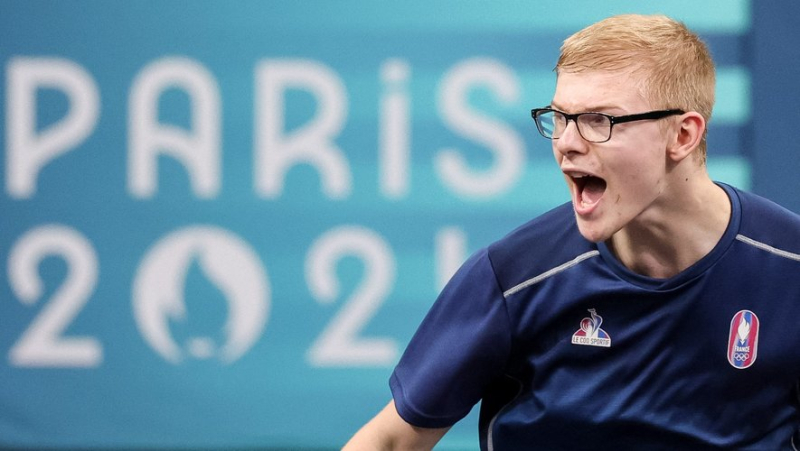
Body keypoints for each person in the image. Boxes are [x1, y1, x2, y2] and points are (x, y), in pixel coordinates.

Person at [344, 13, 800, 450]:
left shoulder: (790, 268)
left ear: (682, 135)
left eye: (599, 120)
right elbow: (389, 441)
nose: (566, 142)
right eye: (560, 118)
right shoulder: (513, 277)